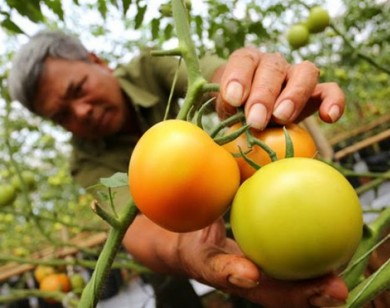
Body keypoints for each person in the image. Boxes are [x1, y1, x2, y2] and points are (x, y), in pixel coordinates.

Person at [8, 30, 348, 307]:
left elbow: (216, 80)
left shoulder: (151, 69)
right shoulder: (83, 159)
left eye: (77, 89)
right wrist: (184, 251)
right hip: (177, 266)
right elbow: (138, 233)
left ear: (98, 62)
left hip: (273, 227)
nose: (80, 112)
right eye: (62, 116)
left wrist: (248, 85)